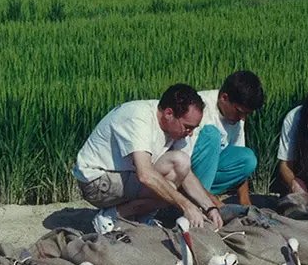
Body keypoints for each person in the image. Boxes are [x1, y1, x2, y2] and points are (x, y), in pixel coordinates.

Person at [73, 84, 224, 233]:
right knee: (168, 189)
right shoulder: (139, 117)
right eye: (187, 127)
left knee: (181, 163)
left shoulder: (176, 129)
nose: (190, 133)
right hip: (97, 181)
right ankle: (110, 217)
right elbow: (145, 175)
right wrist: (186, 205)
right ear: (169, 113)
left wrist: (209, 207)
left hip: (124, 175)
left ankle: (141, 218)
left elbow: (186, 174)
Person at [179, 71, 265, 206]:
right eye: (240, 112)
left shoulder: (236, 117)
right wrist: (215, 204)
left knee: (247, 159)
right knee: (212, 135)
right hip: (184, 174)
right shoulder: (199, 110)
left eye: (247, 114)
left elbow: (238, 152)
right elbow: (181, 166)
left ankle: (203, 196)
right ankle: (197, 200)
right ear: (224, 98)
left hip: (206, 175)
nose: (243, 118)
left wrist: (245, 202)